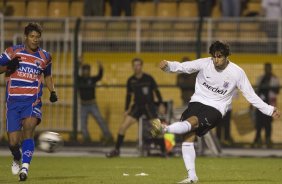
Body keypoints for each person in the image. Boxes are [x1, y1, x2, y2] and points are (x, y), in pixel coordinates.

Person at [151, 41, 280, 183]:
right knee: (187, 137)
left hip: (216, 108)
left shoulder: (237, 73)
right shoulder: (205, 63)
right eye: (214, 56)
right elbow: (184, 67)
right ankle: (192, 176)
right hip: (197, 101)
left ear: (226, 56)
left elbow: (250, 95)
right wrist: (168, 66)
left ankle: (164, 128)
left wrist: (269, 109)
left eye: (219, 56)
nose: (216, 60)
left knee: (192, 122)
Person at [0, 22, 58, 181]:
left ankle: (25, 168)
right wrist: (7, 67)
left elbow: (47, 76)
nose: (35, 40)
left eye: (38, 37)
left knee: (29, 127)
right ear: (26, 37)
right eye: (32, 37)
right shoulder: (12, 52)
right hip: (13, 103)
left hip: (32, 101)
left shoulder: (45, 56)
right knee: (12, 142)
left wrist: (52, 91)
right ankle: (16, 157)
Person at [106, 58, 166, 157]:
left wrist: (161, 104)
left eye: (138, 65)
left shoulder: (148, 78)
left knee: (157, 128)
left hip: (149, 106)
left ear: (141, 66)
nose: (136, 67)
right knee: (122, 127)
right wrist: (126, 109)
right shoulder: (130, 80)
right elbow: (128, 96)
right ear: (132, 67)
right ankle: (116, 150)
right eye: (134, 65)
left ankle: (164, 151)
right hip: (137, 106)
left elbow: (157, 91)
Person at [78, 63, 113, 144]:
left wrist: (101, 69)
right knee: (83, 123)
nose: (86, 72)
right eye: (84, 70)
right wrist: (78, 63)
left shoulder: (92, 79)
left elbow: (99, 76)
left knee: (100, 120)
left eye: (87, 70)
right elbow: (75, 74)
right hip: (83, 105)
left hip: (92, 104)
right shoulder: (79, 79)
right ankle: (86, 138)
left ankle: (108, 136)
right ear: (82, 71)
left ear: (89, 71)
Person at [253, 63, 280, 148]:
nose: (267, 70)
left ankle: (268, 139)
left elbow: (277, 91)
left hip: (269, 104)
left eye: (268, 68)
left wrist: (269, 87)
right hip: (261, 103)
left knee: (268, 123)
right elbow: (256, 91)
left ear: (271, 69)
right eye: (266, 68)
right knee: (259, 123)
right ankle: (258, 139)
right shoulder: (261, 78)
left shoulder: (274, 79)